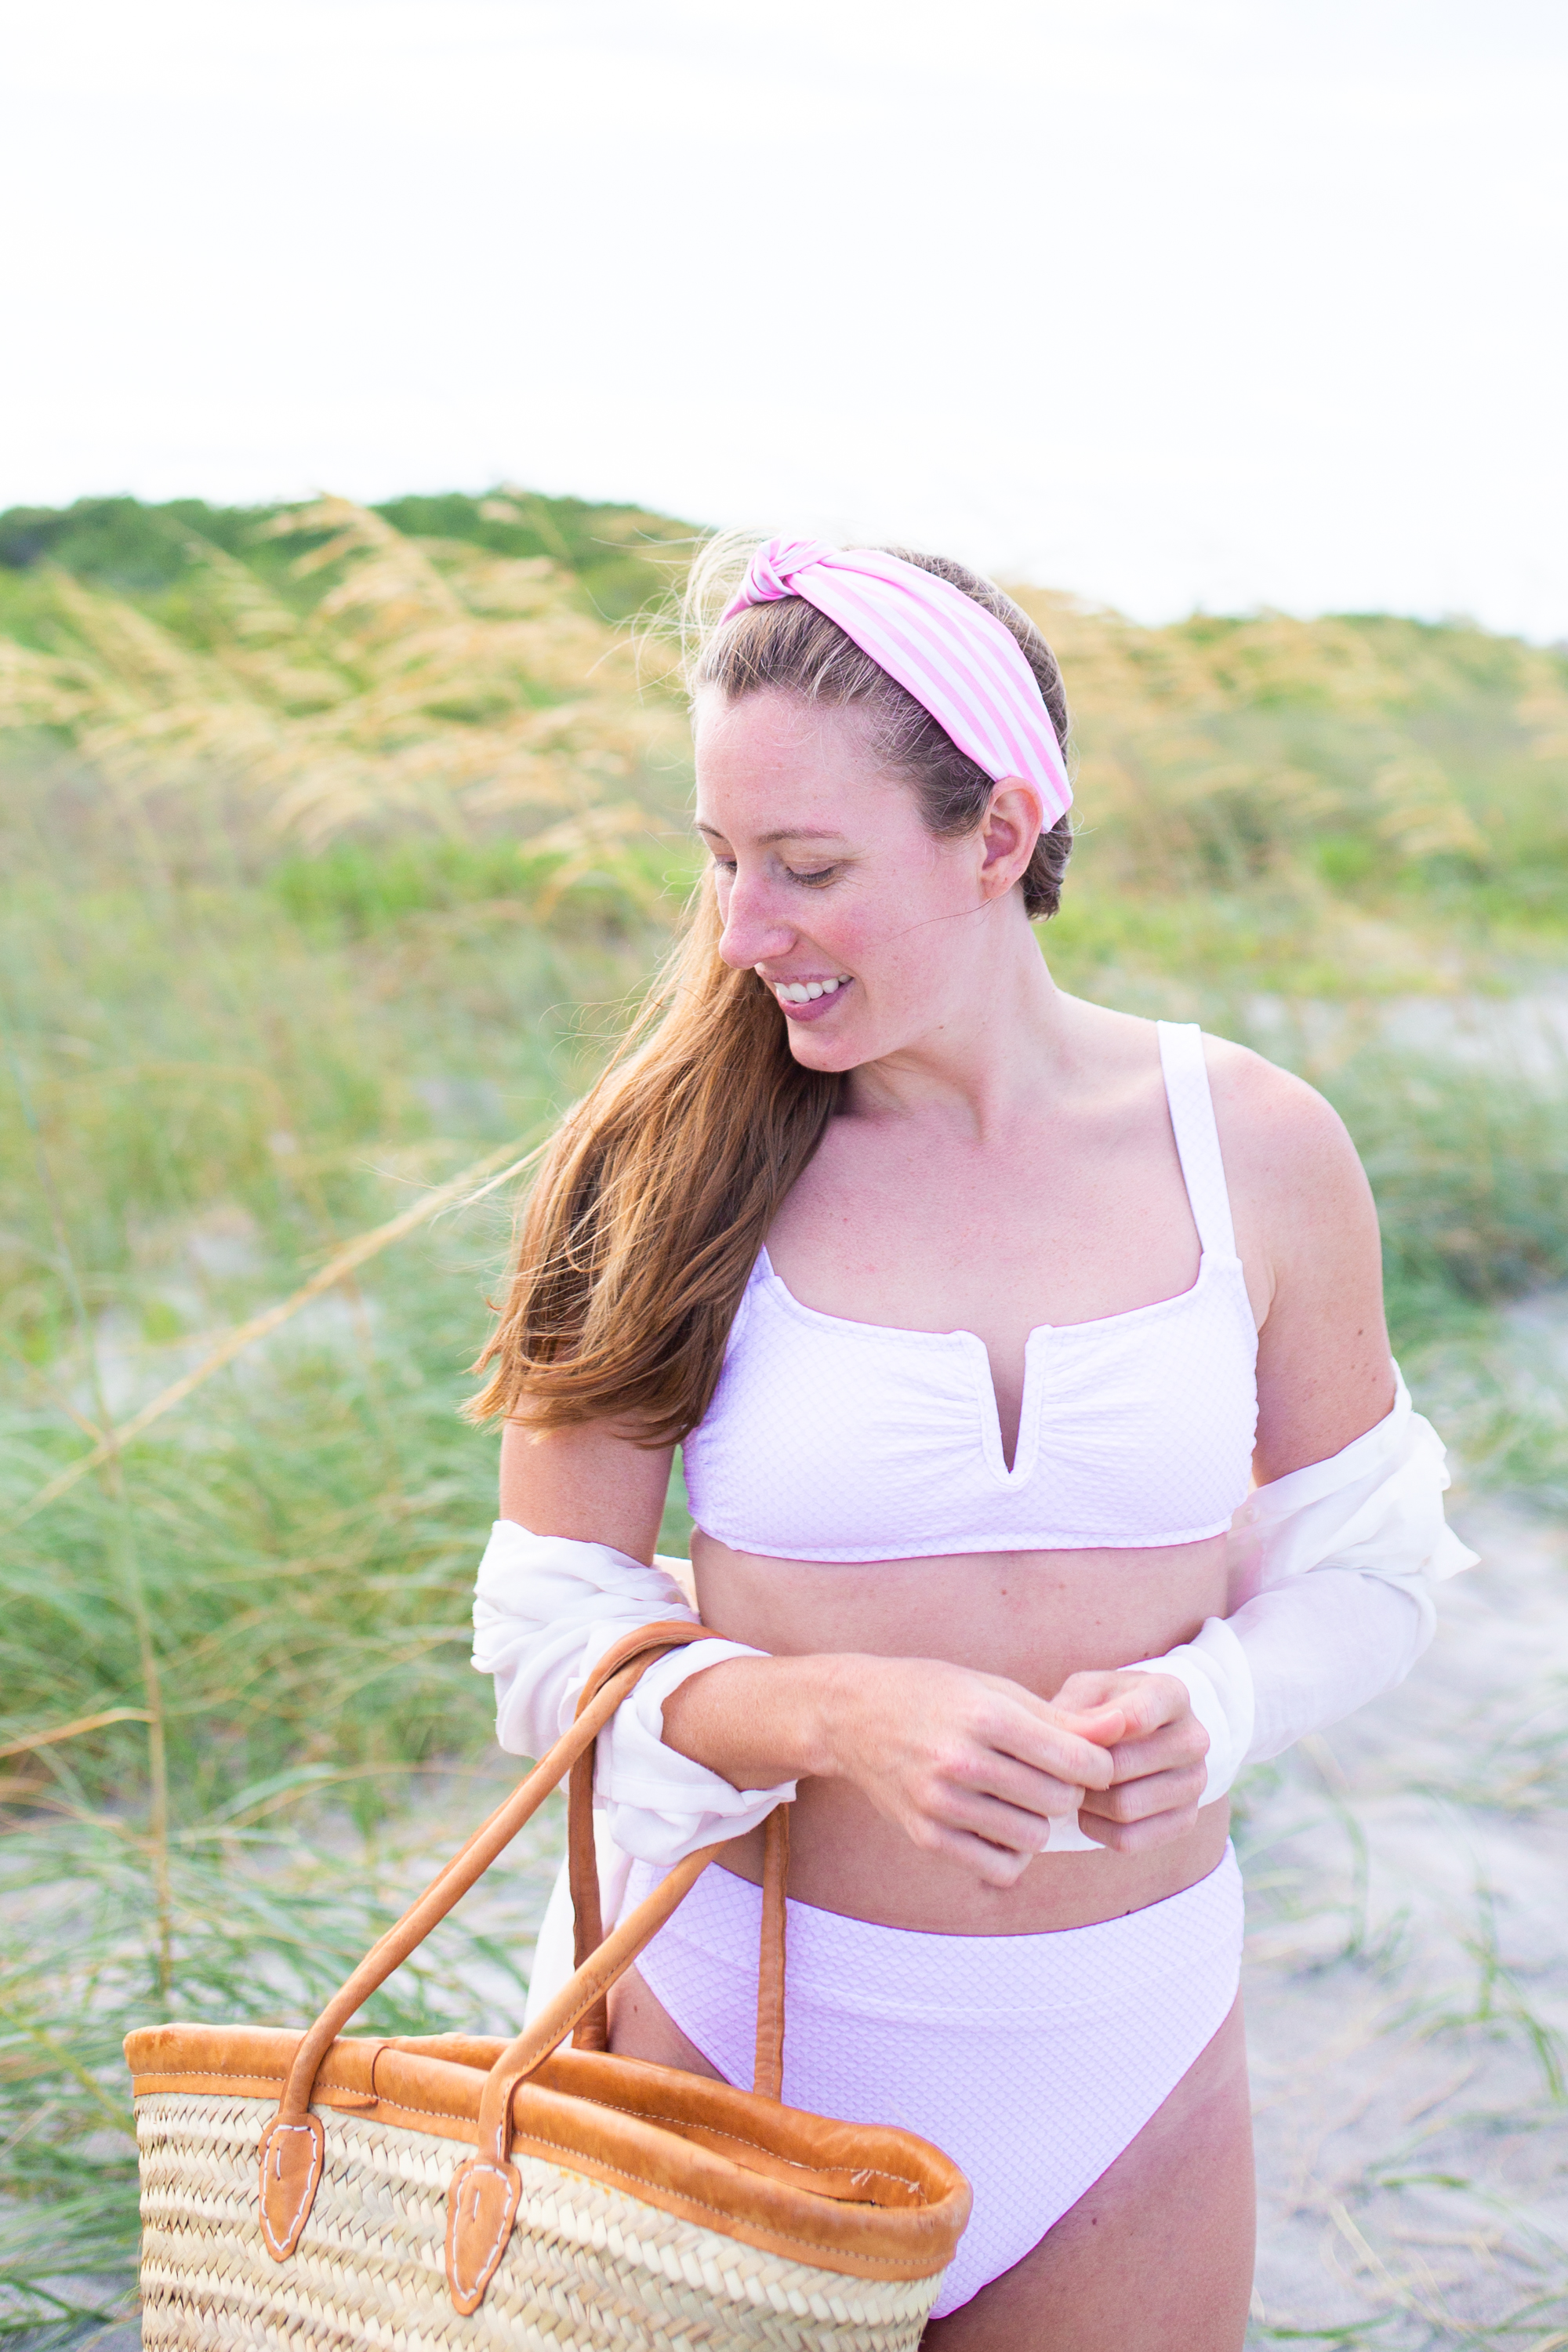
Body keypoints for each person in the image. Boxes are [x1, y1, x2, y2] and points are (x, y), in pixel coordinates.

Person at [467, 536, 1473, 2350]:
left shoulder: (1254, 1144)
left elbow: (1377, 1570)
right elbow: (541, 1634)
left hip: (1132, 2056)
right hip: (749, 2029)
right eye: (718, 862)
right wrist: (833, 1713)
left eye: (807, 868)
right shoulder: (666, 1164)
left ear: (998, 835)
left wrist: (1225, 1703)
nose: (742, 929)